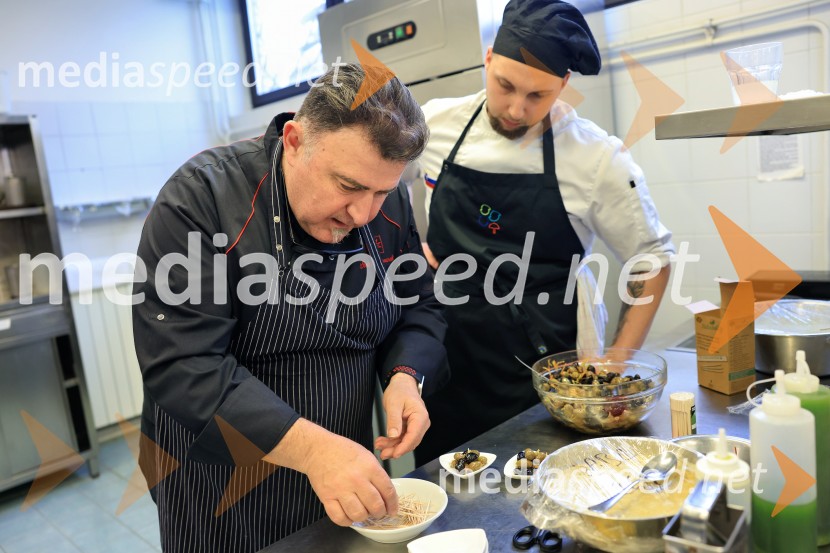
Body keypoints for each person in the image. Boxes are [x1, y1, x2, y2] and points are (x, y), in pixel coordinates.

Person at [132, 64, 448, 553]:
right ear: (295, 141)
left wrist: (406, 375)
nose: (363, 213)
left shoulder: (387, 206)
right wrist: (314, 451)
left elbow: (418, 305)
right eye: (347, 186)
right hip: (220, 484)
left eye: (381, 191)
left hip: (346, 464)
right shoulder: (202, 199)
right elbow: (184, 364)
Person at [413, 0, 674, 465]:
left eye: (539, 96)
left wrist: (614, 363)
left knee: (543, 492)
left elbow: (651, 260)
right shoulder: (434, 125)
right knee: (446, 484)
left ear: (564, 86)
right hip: (446, 353)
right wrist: (408, 253)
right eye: (505, 86)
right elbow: (373, 194)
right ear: (488, 58)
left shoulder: (596, 159)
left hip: (544, 367)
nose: (516, 109)